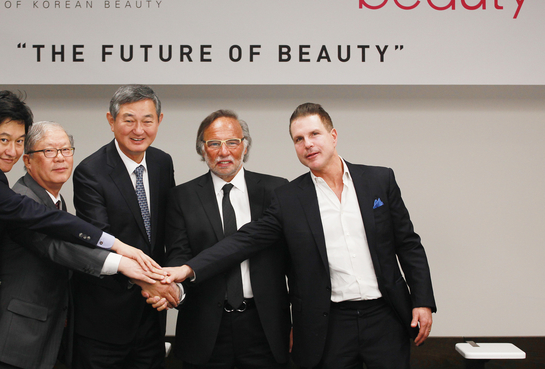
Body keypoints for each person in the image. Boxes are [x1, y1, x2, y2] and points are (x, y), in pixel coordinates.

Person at [0, 90, 158, 369]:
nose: (12, 150)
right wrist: (117, 249)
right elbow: (47, 232)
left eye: (19, 141)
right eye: (4, 140)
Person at [164, 103, 436, 369]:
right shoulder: (289, 198)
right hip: (331, 323)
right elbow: (244, 240)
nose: (308, 144)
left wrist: (422, 300)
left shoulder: (379, 180)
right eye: (298, 139)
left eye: (314, 134)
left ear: (333, 135)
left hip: (386, 315)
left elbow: (408, 244)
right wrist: (188, 269)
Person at [0, 121, 161, 369]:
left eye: (66, 150)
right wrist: (121, 263)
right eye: (49, 151)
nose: (60, 158)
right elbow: (56, 248)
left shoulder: (56, 201)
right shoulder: (22, 199)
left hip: (44, 340)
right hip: (13, 343)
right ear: (28, 160)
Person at [165, 110, 291, 369]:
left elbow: (295, 262)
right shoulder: (182, 197)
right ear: (202, 150)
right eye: (214, 144)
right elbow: (178, 254)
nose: (224, 152)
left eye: (232, 142)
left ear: (245, 146)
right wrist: (174, 289)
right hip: (204, 329)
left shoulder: (277, 190)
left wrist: (300, 322)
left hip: (265, 328)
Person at [71, 85, 175, 369]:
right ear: (111, 120)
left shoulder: (162, 162)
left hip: (152, 317)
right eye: (129, 120)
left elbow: (169, 230)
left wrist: (169, 284)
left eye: (147, 120)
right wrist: (152, 284)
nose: (138, 130)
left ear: (159, 120)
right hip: (105, 320)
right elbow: (100, 240)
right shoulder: (90, 172)